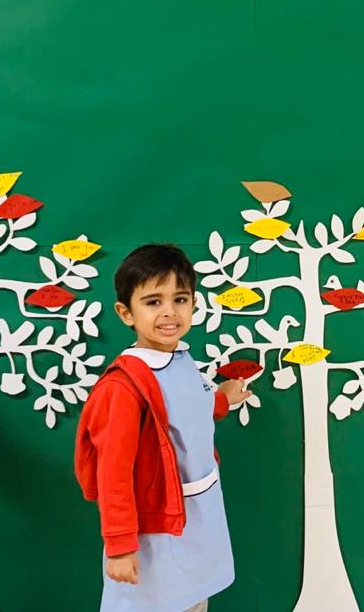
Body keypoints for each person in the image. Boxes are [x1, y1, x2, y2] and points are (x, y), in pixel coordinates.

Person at [75, 243, 252, 612]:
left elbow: (189, 408)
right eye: (153, 301)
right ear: (126, 312)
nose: (169, 312)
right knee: (154, 602)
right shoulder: (124, 386)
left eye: (180, 299)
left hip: (198, 514)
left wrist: (223, 399)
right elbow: (113, 472)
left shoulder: (180, 358)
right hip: (156, 527)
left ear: (194, 304)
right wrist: (120, 546)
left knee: (193, 600)